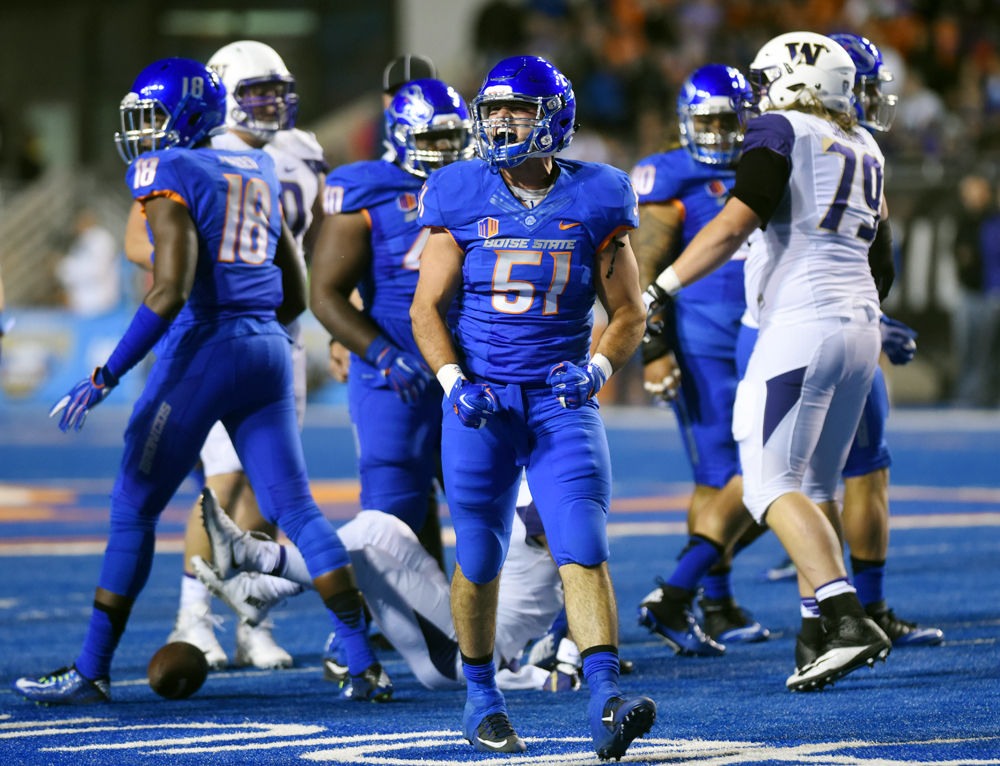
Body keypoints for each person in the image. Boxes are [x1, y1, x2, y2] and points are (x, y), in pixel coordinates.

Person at [12, 57, 388, 705]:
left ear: (184, 115)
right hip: (269, 346)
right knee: (295, 509)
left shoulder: (168, 170)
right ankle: (362, 663)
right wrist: (254, 333)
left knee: (134, 506)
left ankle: (91, 669)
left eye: (152, 116)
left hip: (206, 346)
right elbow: (293, 291)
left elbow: (167, 292)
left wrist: (106, 374)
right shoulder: (258, 166)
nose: (141, 132)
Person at [409, 55, 655, 759]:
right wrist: (456, 382)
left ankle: (605, 695)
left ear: (554, 115)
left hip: (557, 399)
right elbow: (426, 309)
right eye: (492, 110)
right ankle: (481, 696)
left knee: (582, 540)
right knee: (480, 552)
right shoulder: (457, 190)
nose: (500, 122)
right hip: (482, 399)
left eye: (516, 109)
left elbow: (629, 311)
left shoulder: (600, 195)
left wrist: (599, 366)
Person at [644, 32, 894, 692]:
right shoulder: (866, 144)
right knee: (815, 487)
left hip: (800, 325)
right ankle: (817, 632)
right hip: (860, 326)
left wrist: (659, 287)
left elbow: (733, 223)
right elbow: (884, 260)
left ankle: (843, 616)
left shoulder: (782, 127)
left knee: (766, 482)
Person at [191, 480, 582, 692]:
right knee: (378, 525)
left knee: (367, 560)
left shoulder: (545, 494)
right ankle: (264, 590)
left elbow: (582, 578)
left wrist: (572, 653)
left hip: (464, 655)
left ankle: (252, 557)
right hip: (459, 617)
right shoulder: (513, 471)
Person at [631, 64, 765, 656]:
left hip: (769, 330)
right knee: (718, 474)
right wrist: (654, 348)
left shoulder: (767, 162)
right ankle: (712, 597)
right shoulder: (671, 175)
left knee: (775, 475)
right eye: (706, 119)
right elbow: (642, 271)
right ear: (686, 122)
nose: (717, 131)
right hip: (704, 340)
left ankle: (700, 590)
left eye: (727, 119)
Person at [309, 77, 473, 555]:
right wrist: (380, 353)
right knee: (393, 520)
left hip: (471, 370)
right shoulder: (366, 189)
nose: (443, 150)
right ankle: (385, 632)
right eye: (430, 139)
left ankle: (494, 627)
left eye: (452, 138)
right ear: (400, 134)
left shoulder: (481, 183)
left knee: (494, 511)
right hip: (395, 372)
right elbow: (325, 294)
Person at [55, 209, 121, 317]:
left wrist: (64, 268)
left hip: (97, 302)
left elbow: (98, 270)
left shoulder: (101, 239)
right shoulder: (82, 241)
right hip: (82, 303)